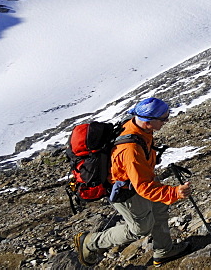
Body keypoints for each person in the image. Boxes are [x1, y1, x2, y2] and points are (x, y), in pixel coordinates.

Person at [73, 97, 191, 267]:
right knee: (140, 228)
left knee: (159, 207)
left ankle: (163, 251)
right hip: (125, 190)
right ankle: (90, 243)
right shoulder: (131, 150)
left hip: (137, 178)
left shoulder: (136, 124)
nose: (167, 121)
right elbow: (143, 187)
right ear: (149, 122)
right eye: (164, 118)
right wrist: (175, 192)